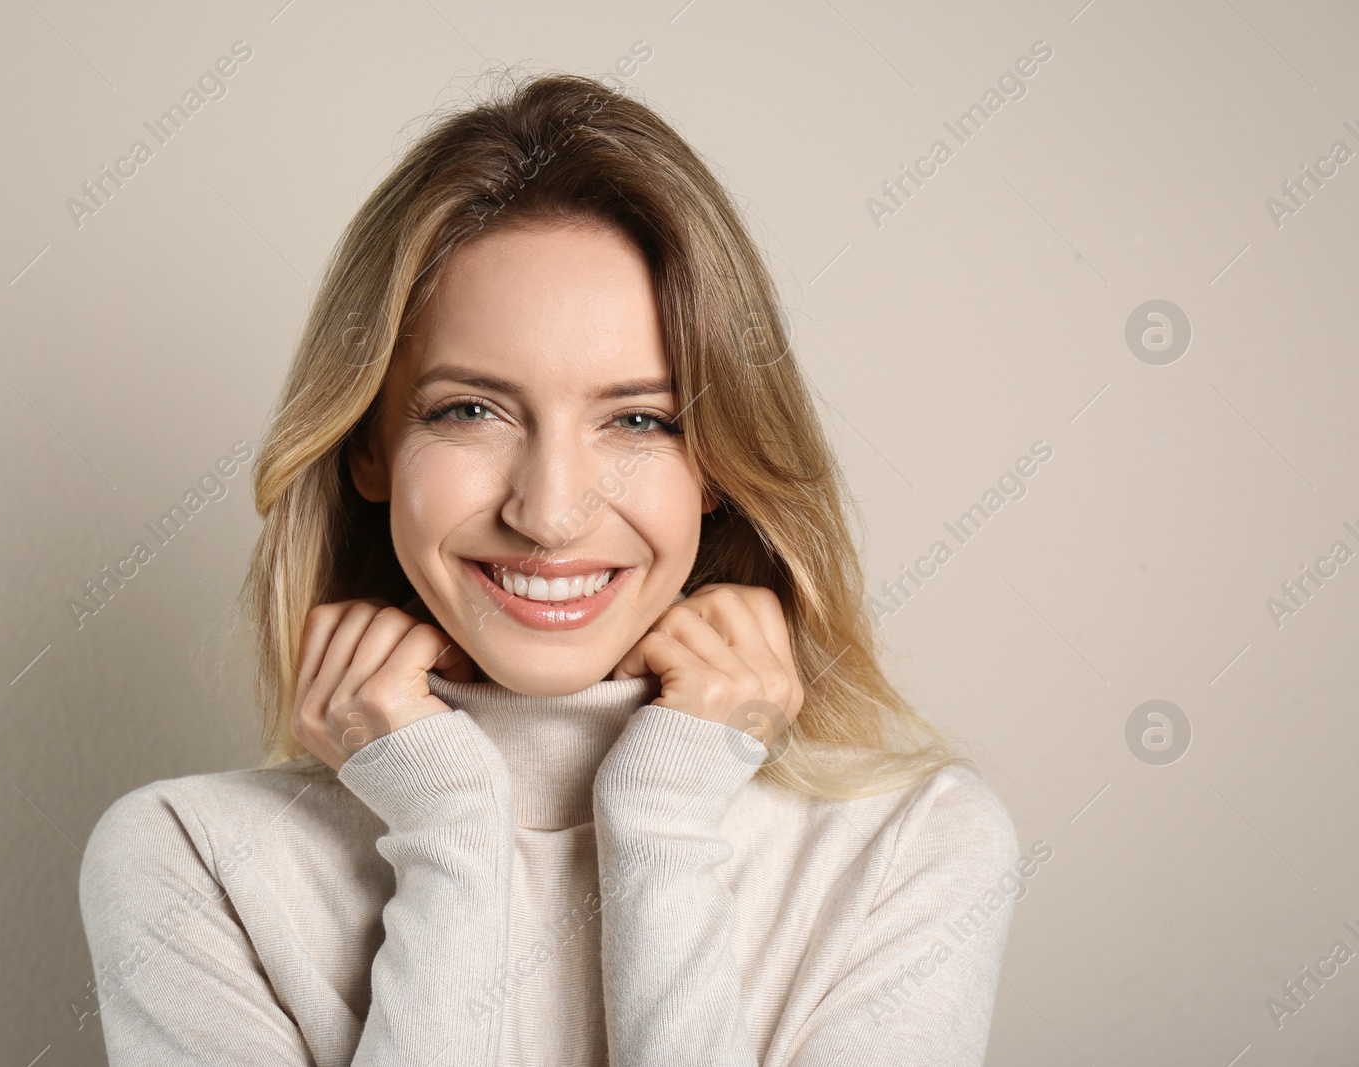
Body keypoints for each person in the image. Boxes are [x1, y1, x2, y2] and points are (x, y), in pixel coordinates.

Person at [79, 71, 1020, 1066]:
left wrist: (660, 818)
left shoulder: (911, 846)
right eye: (469, 410)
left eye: (640, 419)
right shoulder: (191, 861)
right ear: (368, 445)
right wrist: (450, 834)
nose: (547, 510)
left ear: (719, 465)